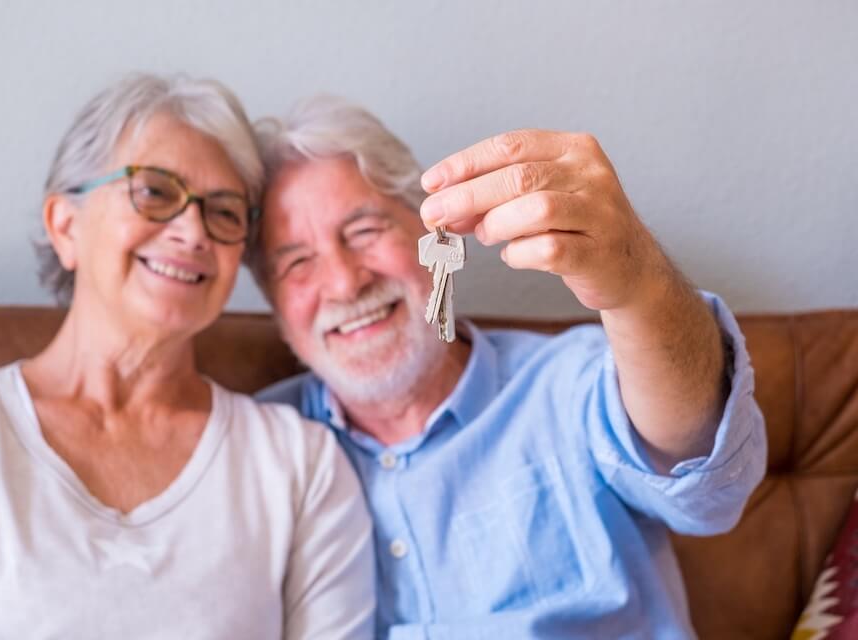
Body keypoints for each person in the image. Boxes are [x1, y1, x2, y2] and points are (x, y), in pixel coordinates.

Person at [0, 75, 374, 639]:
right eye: (155, 191)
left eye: (224, 211)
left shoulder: (300, 465)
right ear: (65, 226)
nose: (193, 232)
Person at [249, 96, 767, 639]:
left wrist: (637, 285)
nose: (344, 281)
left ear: (432, 235)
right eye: (297, 262)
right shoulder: (257, 448)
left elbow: (709, 485)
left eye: (364, 232)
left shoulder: (568, 385)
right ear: (273, 304)